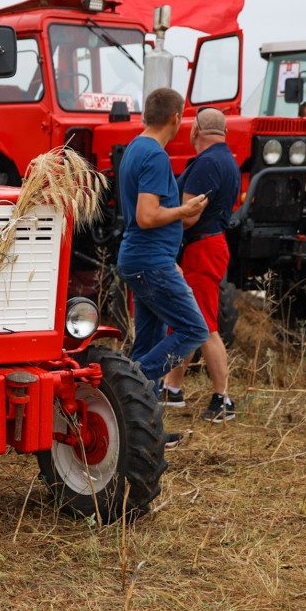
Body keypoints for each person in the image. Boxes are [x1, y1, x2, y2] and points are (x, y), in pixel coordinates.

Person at [117, 88, 208, 444]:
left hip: (142, 259)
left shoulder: (135, 148)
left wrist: (180, 220)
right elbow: (147, 215)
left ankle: (145, 432)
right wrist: (184, 211)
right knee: (194, 330)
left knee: (148, 341)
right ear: (177, 118)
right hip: (150, 261)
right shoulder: (154, 155)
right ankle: (134, 380)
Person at [161, 107, 242, 423]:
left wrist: (155, 224)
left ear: (194, 131)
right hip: (211, 244)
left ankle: (223, 400)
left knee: (204, 326)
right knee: (188, 320)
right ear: (223, 132)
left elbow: (189, 214)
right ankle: (173, 389)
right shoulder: (228, 160)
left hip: (203, 247)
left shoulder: (206, 163)